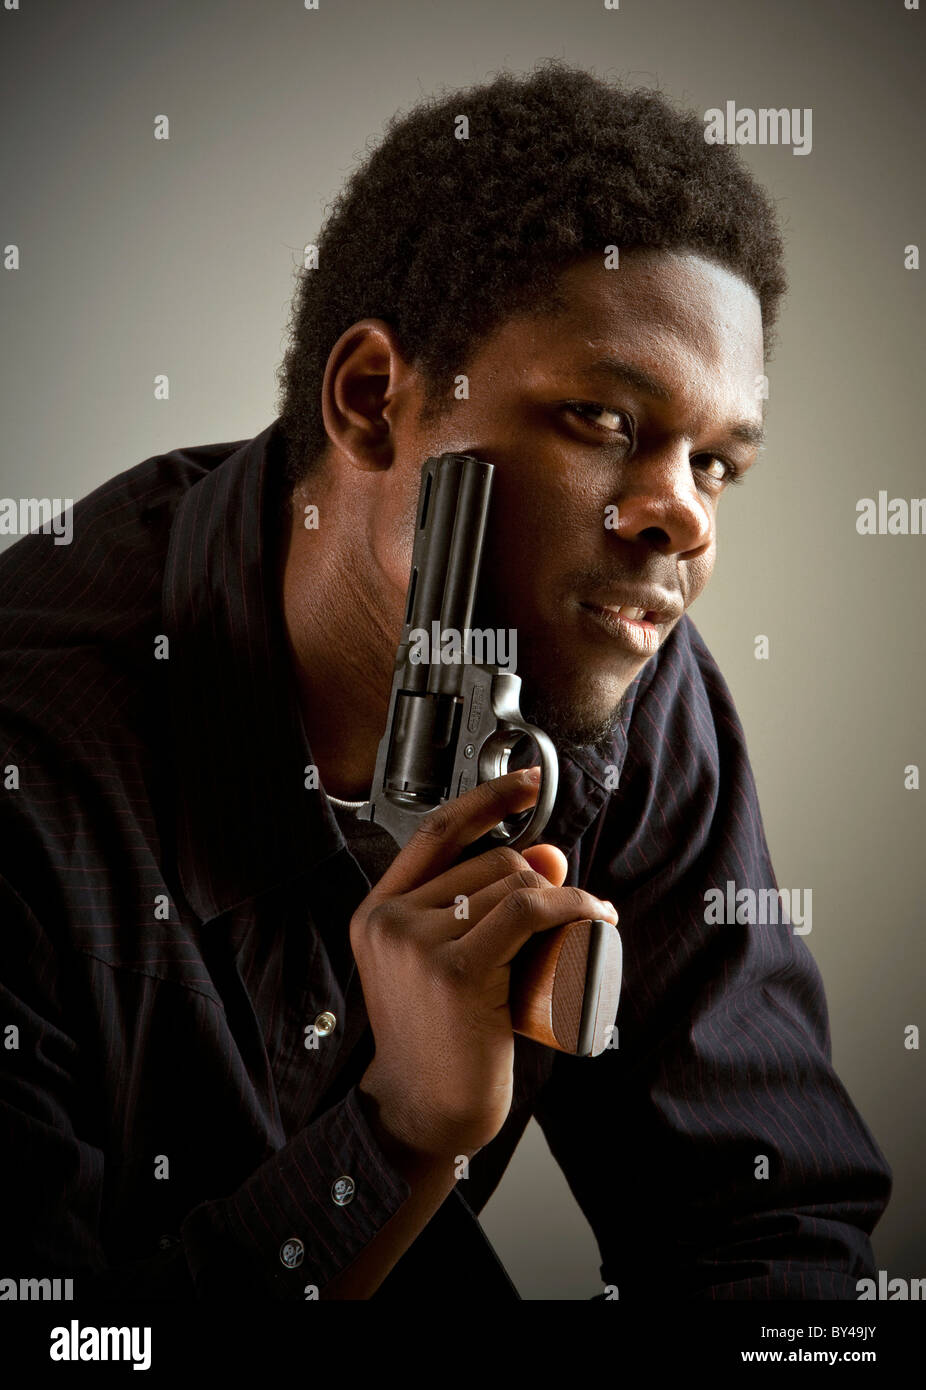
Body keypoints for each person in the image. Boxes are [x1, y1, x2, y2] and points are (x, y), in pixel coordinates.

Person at [0, 61, 891, 1301]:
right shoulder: (30, 757)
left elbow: (770, 1233)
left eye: (714, 464)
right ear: (373, 400)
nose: (678, 517)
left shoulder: (625, 682)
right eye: (601, 419)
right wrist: (400, 1135)